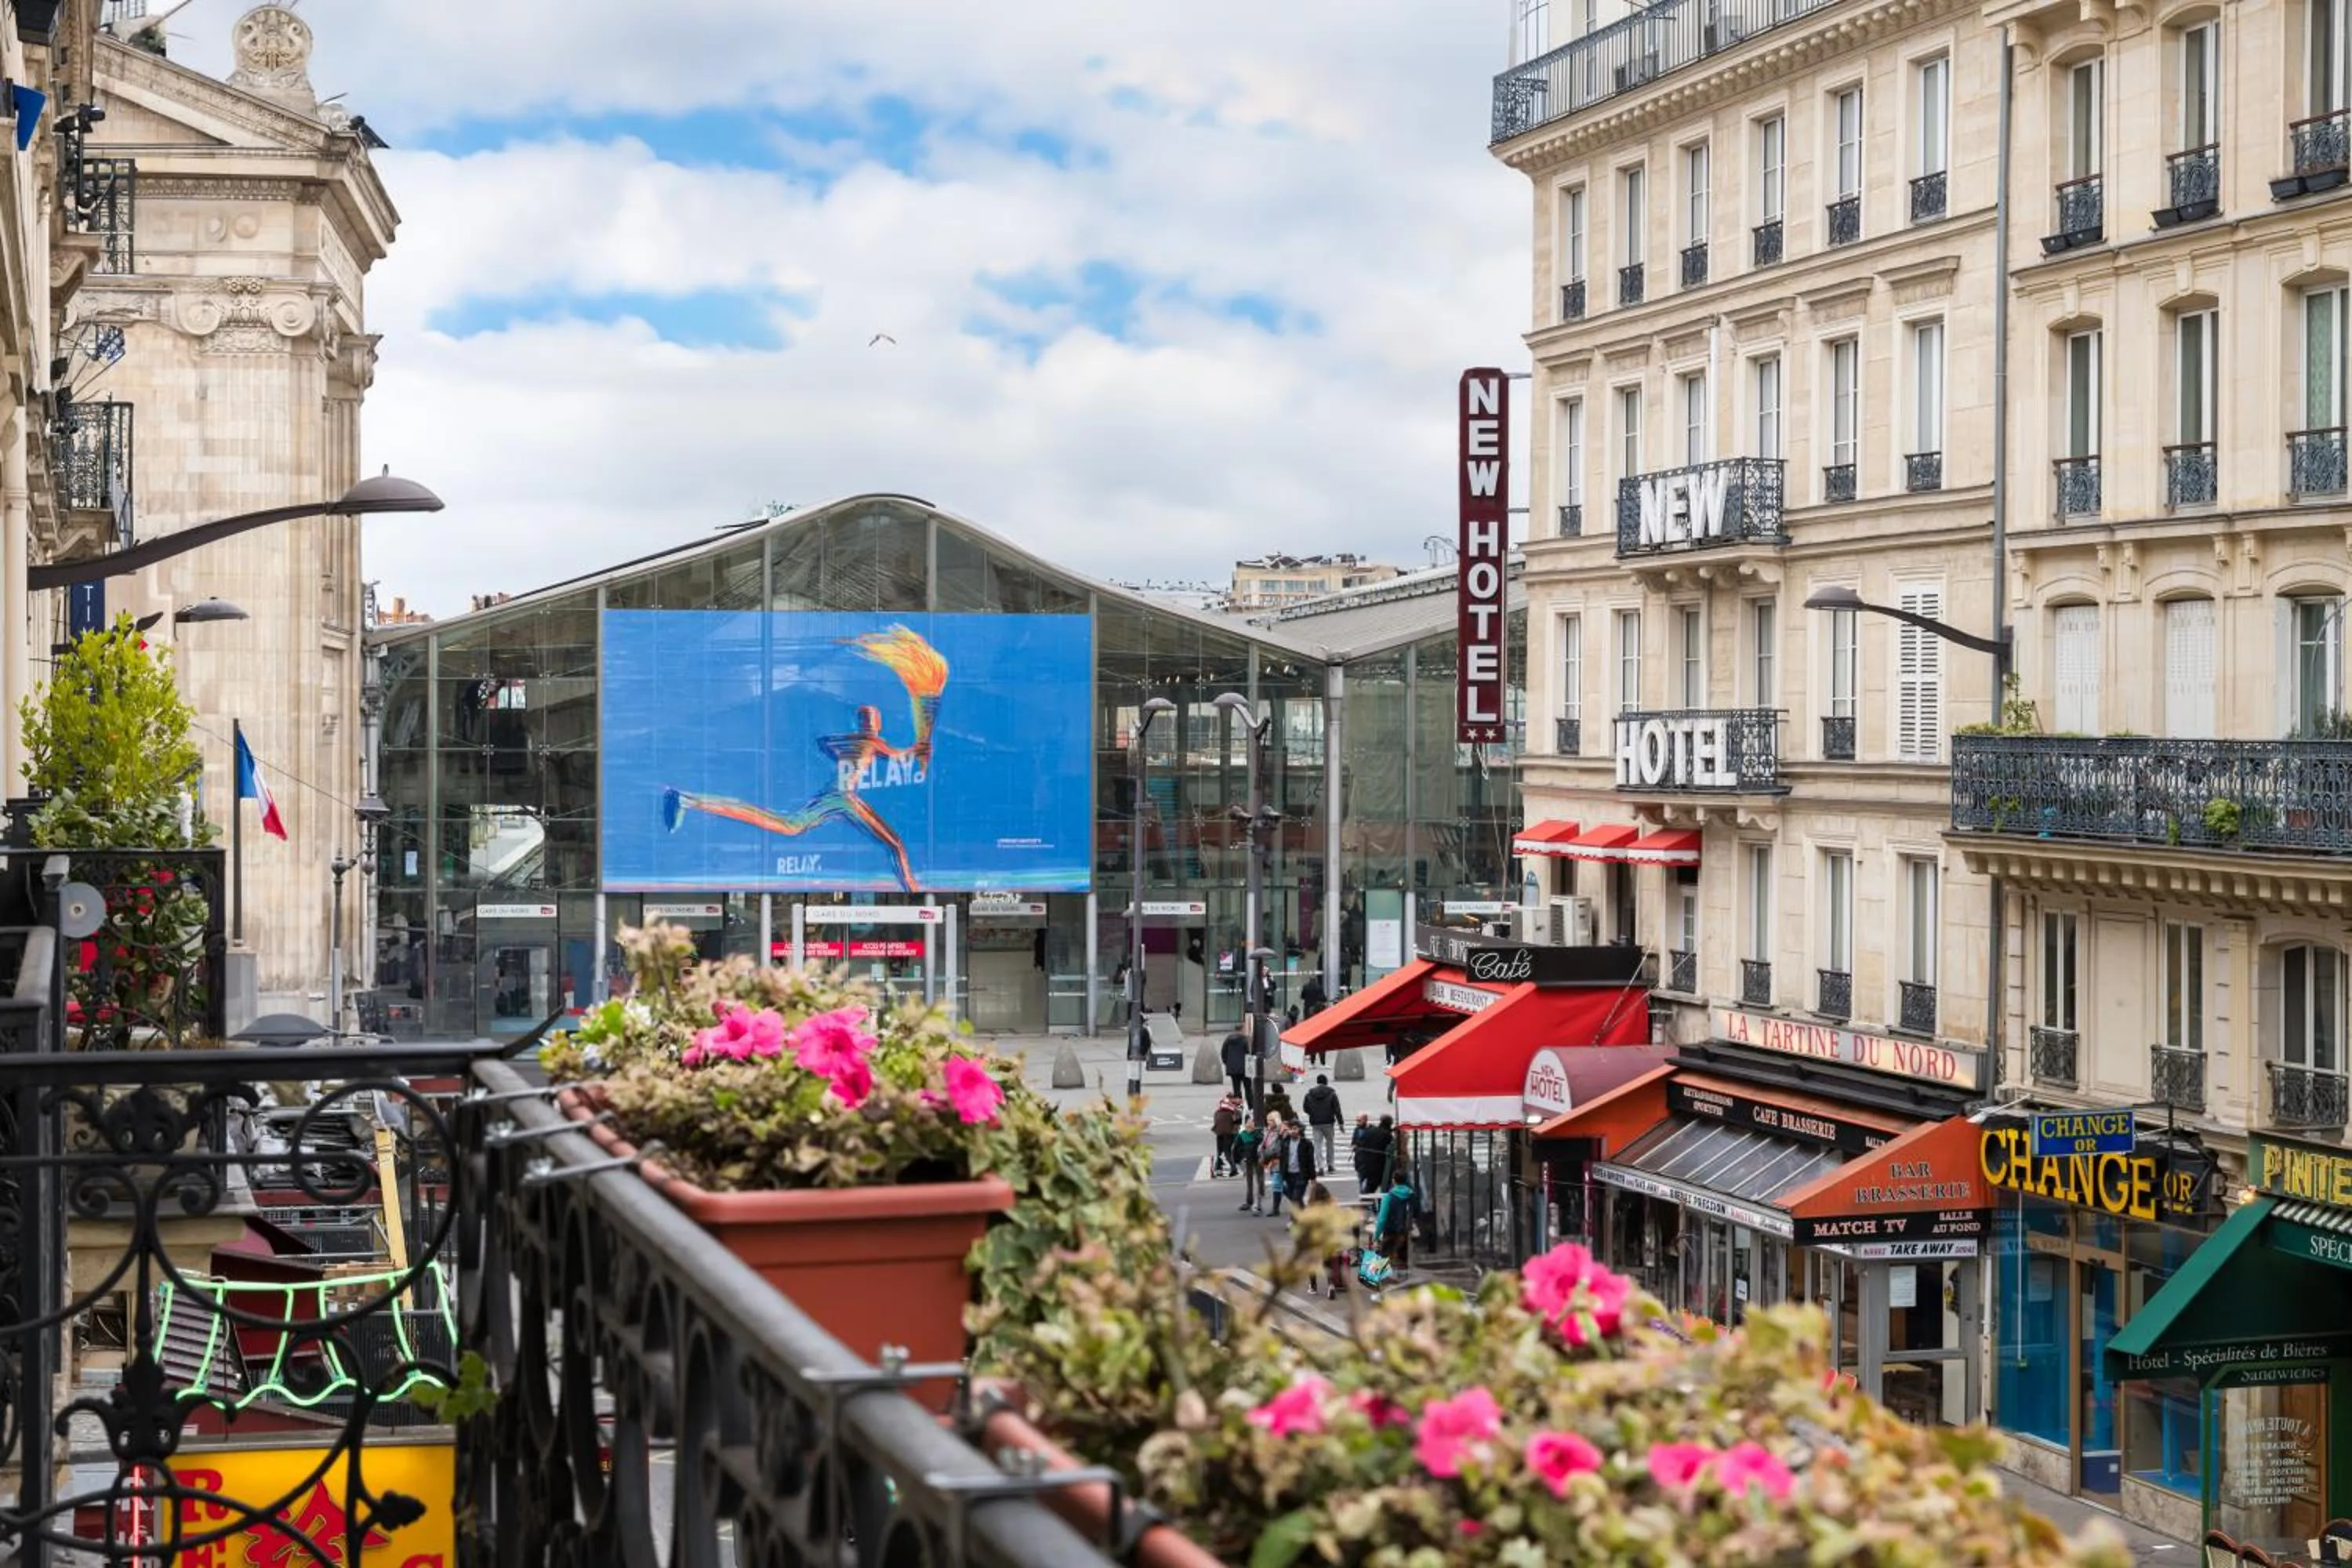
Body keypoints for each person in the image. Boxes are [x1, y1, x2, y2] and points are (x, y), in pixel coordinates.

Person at [1272, 1112, 1317, 1219]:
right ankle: (1305, 1216)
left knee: (1296, 1198)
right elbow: (1278, 1154)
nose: (1293, 1131)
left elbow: (1310, 1161)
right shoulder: (1285, 1142)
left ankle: (1294, 1221)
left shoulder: (1306, 1144)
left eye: (1295, 1129)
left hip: (1301, 1174)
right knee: (1295, 1198)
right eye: (1291, 1129)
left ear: (1300, 1130)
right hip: (1289, 1174)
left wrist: (1313, 1177)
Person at [1301, 1073, 1343, 1172]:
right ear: (1326, 1082)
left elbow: (1305, 1108)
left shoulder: (1309, 1094)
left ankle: (1320, 1166)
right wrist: (1341, 1123)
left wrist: (1313, 1113)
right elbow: (1337, 1109)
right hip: (1329, 1122)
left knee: (1317, 1145)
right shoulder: (1332, 1094)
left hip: (1316, 1123)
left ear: (1317, 1082)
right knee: (1330, 1144)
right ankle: (1331, 1165)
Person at [1374, 1174, 1415, 1270]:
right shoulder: (1411, 1195)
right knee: (1403, 1263)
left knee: (1383, 1263)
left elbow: (1382, 1219)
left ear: (1393, 1181)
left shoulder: (1388, 1197)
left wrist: (1376, 1237)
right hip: (1404, 1232)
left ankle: (1388, 1282)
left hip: (1390, 1233)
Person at [1232, 1113, 1266, 1214]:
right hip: (1247, 1161)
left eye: (1252, 1124)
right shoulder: (1242, 1135)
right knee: (1249, 1181)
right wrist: (1239, 1160)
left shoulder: (1258, 1135)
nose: (1250, 1126)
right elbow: (1236, 1149)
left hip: (1258, 1160)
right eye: (1248, 1123)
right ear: (1245, 1124)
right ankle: (1249, 1201)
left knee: (1260, 1180)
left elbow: (1263, 1146)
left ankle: (1259, 1199)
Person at [1210, 1092, 1242, 1178]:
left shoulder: (1219, 1109)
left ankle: (1218, 1168)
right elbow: (1238, 1121)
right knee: (1228, 1151)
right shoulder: (1234, 1109)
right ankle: (1233, 1169)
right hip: (1228, 1132)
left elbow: (1216, 1119)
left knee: (1220, 1151)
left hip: (1219, 1131)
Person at [1220, 1029, 1250, 1105]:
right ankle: (1251, 1106)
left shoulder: (1228, 1040)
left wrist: (1227, 1063)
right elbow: (1248, 1053)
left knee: (1236, 1088)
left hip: (1233, 1069)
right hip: (1244, 1068)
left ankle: (1239, 1106)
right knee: (1248, 1088)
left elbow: (1223, 1053)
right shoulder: (1244, 1040)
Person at [1348, 1113, 1374, 1188]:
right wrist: (1353, 1145)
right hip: (1359, 1158)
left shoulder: (1371, 1130)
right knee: (1360, 1177)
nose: (1357, 1123)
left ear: (1365, 1120)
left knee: (1366, 1177)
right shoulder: (1357, 1130)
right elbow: (1353, 1141)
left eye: (1359, 1121)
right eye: (1357, 1121)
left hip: (1368, 1158)